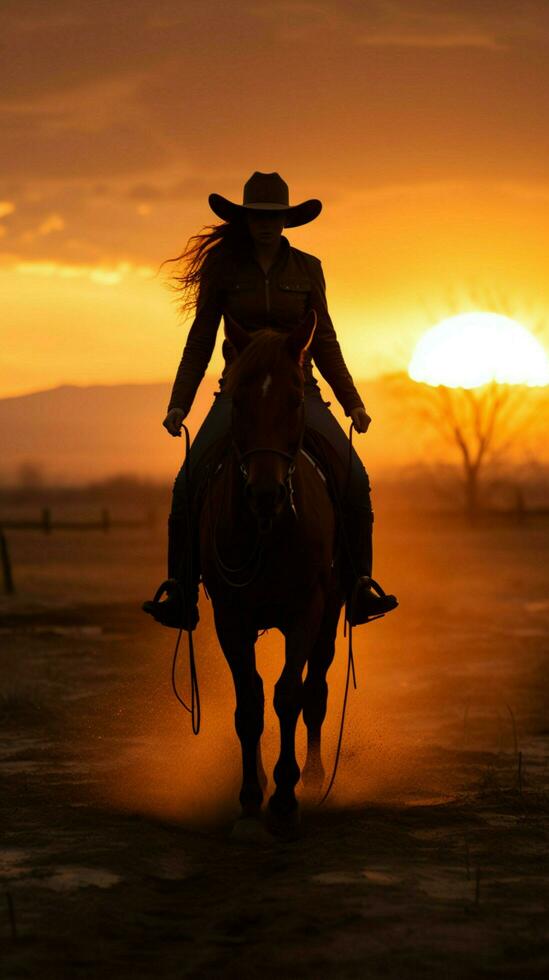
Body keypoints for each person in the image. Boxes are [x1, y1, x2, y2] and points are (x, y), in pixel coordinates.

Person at [142, 171, 398, 630]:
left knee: (355, 478)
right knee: (185, 486)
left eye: (273, 216)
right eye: (257, 216)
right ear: (245, 219)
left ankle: (360, 586)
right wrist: (178, 402)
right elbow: (200, 340)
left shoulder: (307, 268)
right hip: (238, 396)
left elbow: (327, 341)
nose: (265, 224)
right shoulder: (224, 269)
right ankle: (181, 592)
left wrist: (351, 402)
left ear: (285, 220)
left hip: (298, 392)